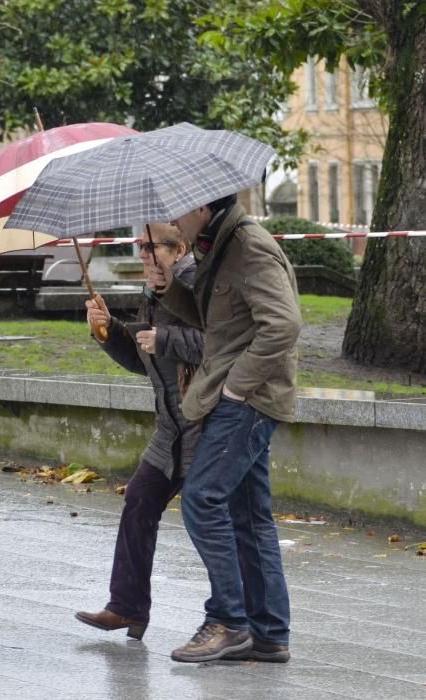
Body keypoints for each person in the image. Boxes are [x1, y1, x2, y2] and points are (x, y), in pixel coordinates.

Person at [150, 193, 301, 664]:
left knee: (201, 498)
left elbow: (284, 324)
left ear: (200, 206)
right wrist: (167, 288)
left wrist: (236, 387)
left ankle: (228, 621)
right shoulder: (218, 243)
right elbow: (216, 321)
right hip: (239, 394)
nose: (172, 221)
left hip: (249, 398)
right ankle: (269, 633)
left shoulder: (249, 245)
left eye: (177, 210)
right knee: (250, 516)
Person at [75, 223, 202, 640]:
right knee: (138, 502)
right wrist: (108, 329)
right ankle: (127, 608)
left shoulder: (196, 285)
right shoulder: (151, 292)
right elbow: (142, 358)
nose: (144, 254)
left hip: (206, 425)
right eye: (140, 247)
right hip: (170, 429)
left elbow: (218, 342)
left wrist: (164, 338)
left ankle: (233, 619)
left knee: (213, 521)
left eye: (152, 247)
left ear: (180, 248)